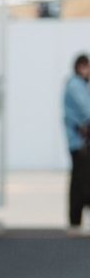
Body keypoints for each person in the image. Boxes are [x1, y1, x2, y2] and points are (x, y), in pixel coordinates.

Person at [63, 53, 90, 234]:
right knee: (81, 182)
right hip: (80, 143)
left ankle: (75, 222)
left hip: (80, 142)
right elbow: (87, 110)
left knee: (80, 181)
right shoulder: (76, 85)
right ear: (81, 67)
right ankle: (75, 222)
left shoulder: (76, 85)